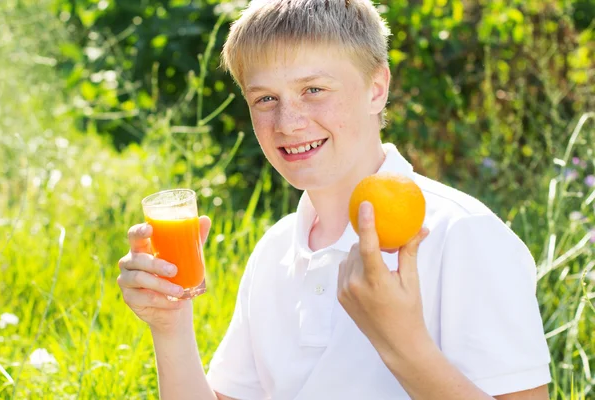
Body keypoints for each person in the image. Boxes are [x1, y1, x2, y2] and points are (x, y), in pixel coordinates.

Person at [117, 0, 552, 399]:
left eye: (314, 90)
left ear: (376, 88)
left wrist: (402, 344)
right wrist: (170, 326)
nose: (288, 122)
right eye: (265, 98)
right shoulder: (275, 249)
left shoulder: (461, 235)